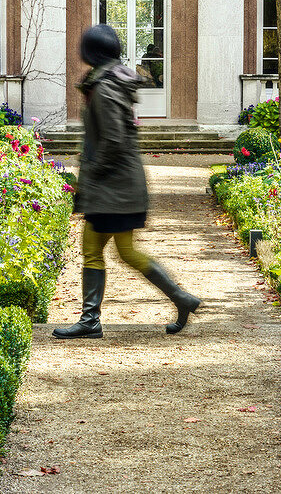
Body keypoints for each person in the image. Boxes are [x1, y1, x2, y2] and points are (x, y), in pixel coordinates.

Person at [54, 24, 201, 339]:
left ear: (91, 51)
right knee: (125, 251)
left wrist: (91, 174)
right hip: (121, 184)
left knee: (96, 249)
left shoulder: (105, 87)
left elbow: (113, 140)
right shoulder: (110, 81)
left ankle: (91, 320)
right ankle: (181, 298)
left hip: (113, 186)